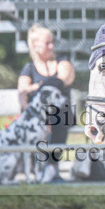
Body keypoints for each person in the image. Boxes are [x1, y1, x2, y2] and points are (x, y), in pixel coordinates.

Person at [17, 24, 75, 182]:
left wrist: (37, 87)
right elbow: (22, 92)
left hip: (60, 115)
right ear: (35, 45)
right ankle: (37, 169)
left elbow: (64, 79)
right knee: (34, 121)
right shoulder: (29, 68)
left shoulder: (62, 61)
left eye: (52, 42)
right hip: (37, 116)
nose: (52, 46)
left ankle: (52, 166)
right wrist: (31, 109)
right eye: (47, 43)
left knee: (61, 116)